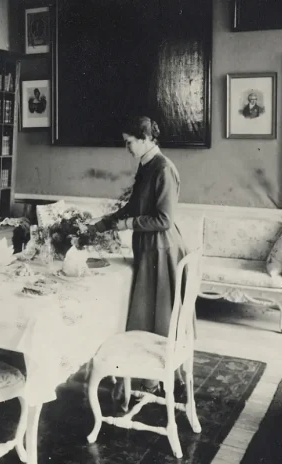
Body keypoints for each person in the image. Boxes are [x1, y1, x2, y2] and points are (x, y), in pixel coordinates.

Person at [88, 116, 189, 393]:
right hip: (148, 247)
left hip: (162, 248)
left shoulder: (163, 169)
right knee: (149, 311)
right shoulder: (146, 167)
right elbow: (133, 207)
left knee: (160, 314)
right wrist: (104, 223)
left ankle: (159, 374)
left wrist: (124, 225)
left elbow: (164, 220)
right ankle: (148, 375)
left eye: (130, 142)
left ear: (145, 139)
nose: (127, 148)